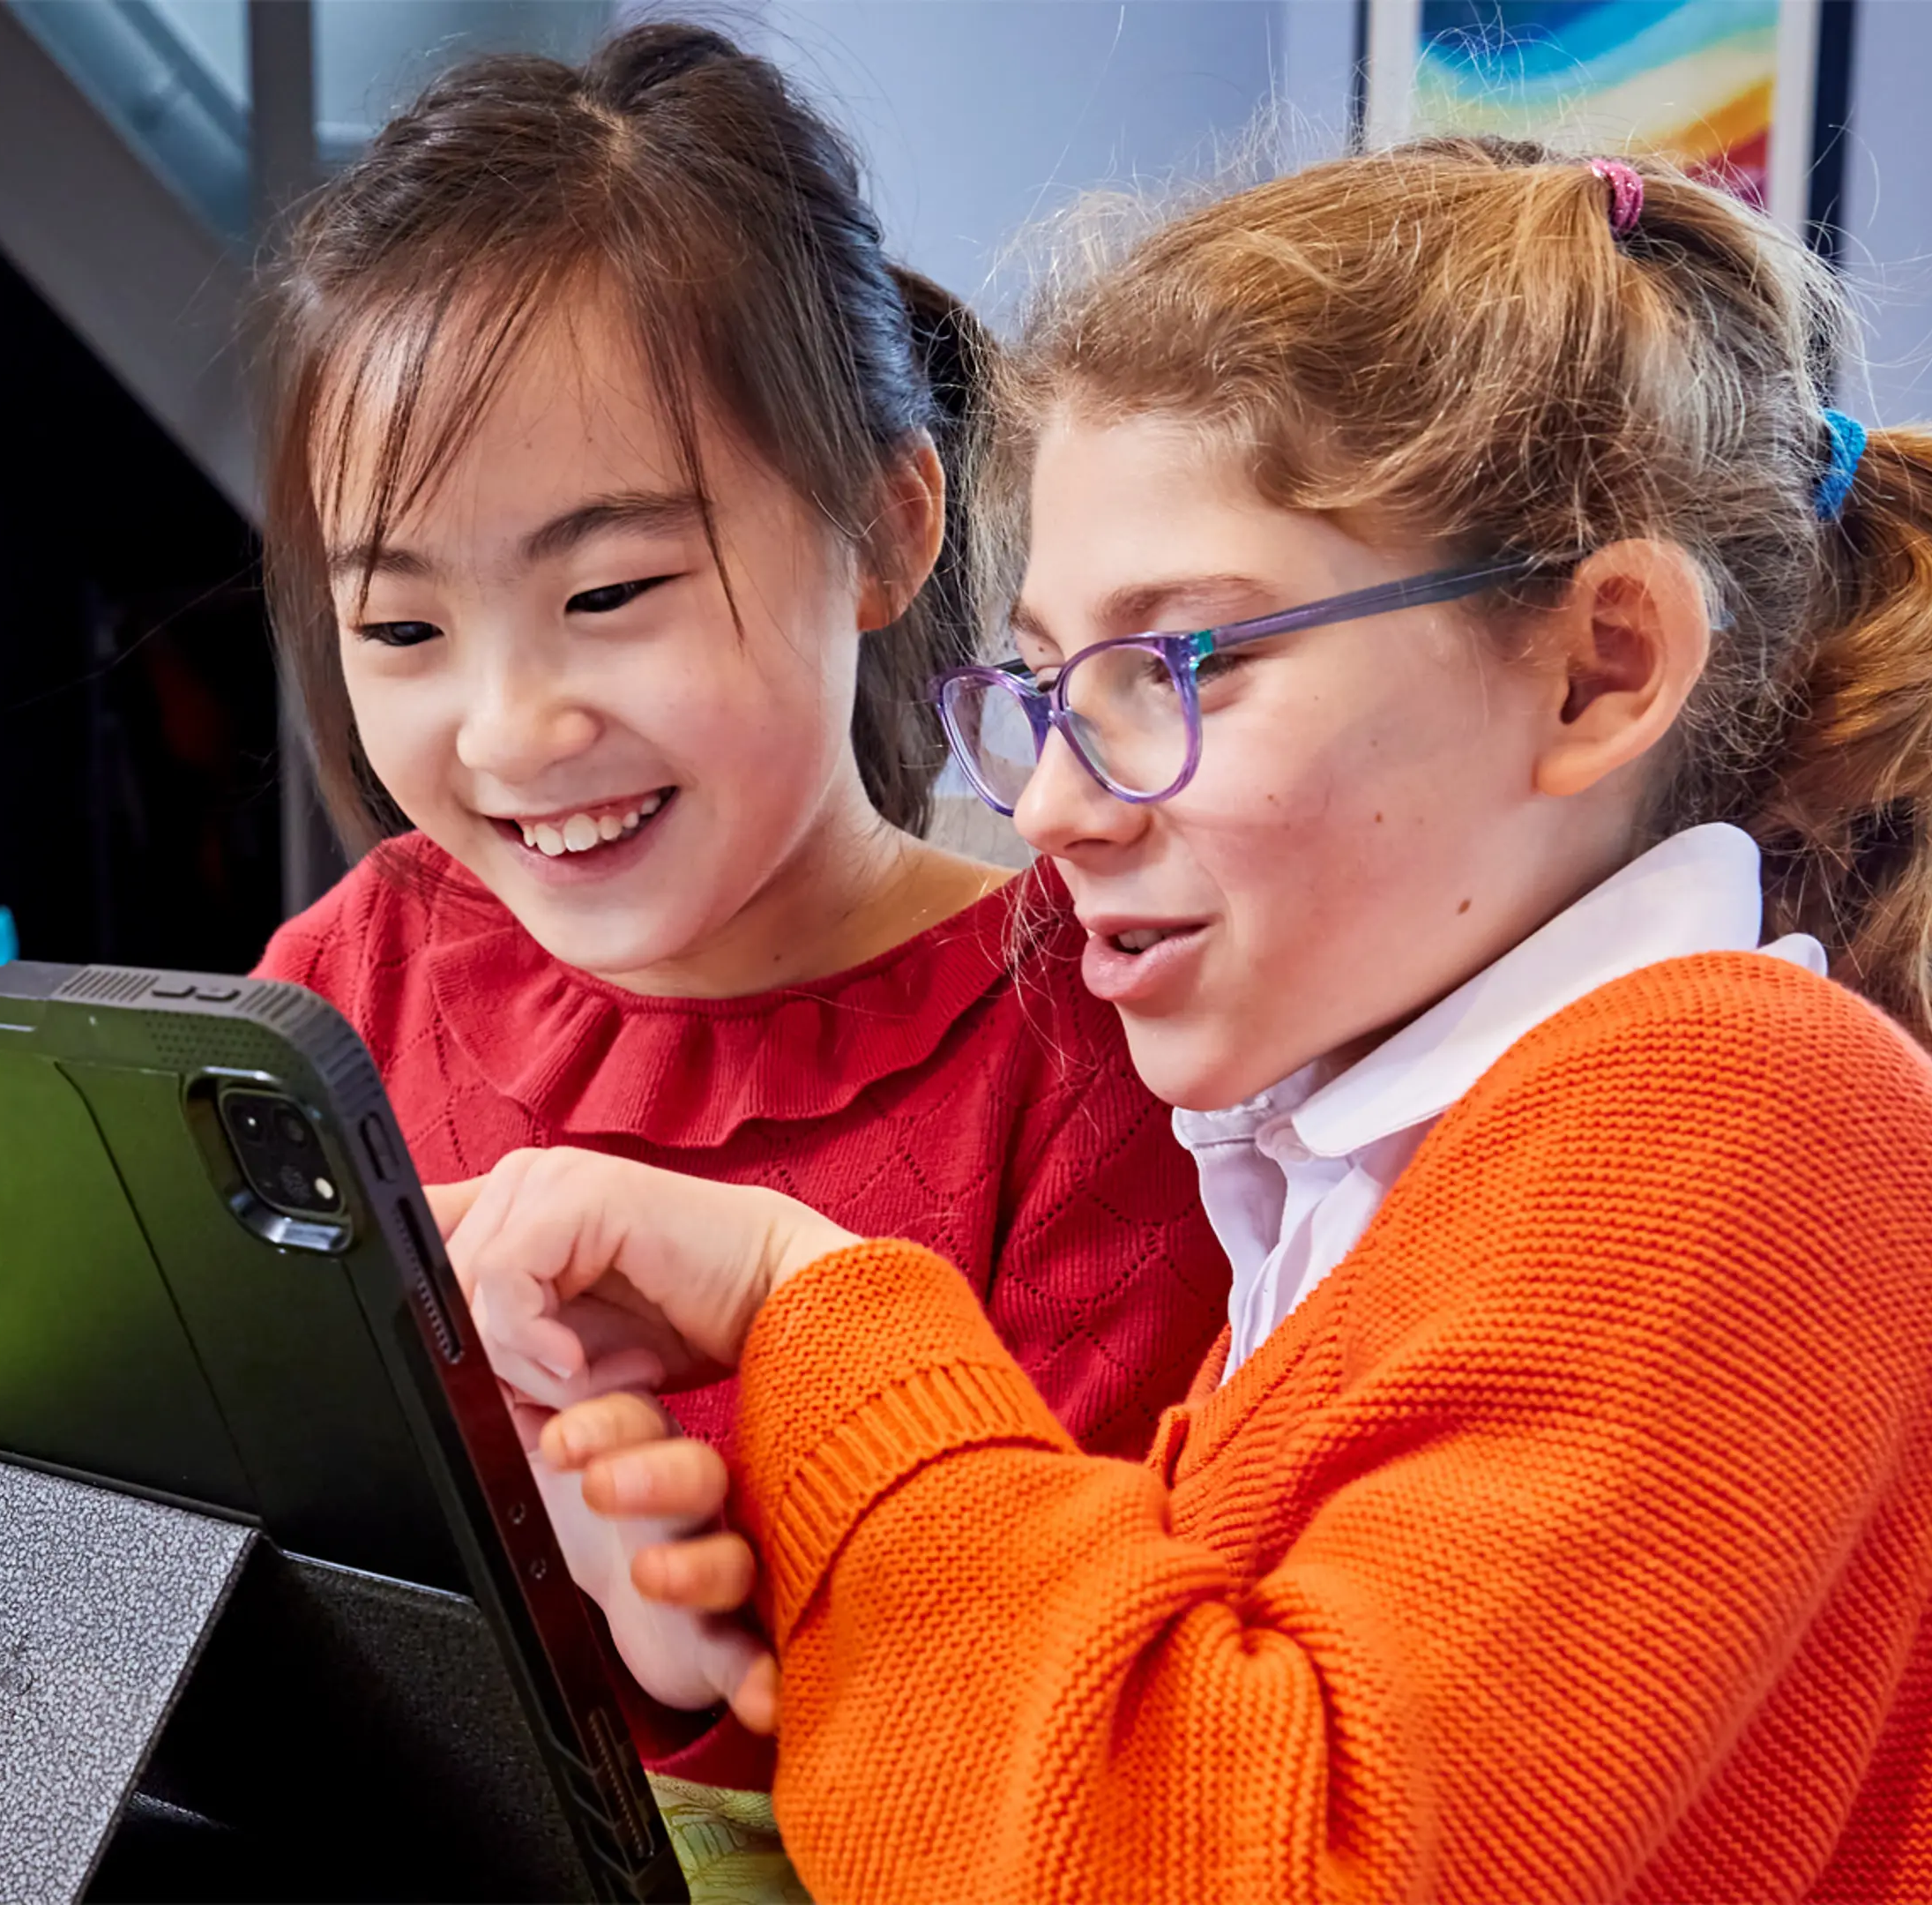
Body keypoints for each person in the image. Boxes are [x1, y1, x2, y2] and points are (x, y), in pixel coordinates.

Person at [442, 140, 1932, 1899]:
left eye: (1186, 666)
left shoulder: (1746, 1110)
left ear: (1599, 666)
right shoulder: (1376, 1184)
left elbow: (1230, 1856)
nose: (1052, 807)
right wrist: (738, 1616)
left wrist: (812, 1307)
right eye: (1046, 687)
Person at [246, 24, 1227, 1774]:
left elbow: (1067, 1729)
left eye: (610, 593)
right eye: (400, 625)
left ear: (887, 530)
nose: (509, 728)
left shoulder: (1093, 1045)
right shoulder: (355, 974)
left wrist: (692, 1650)